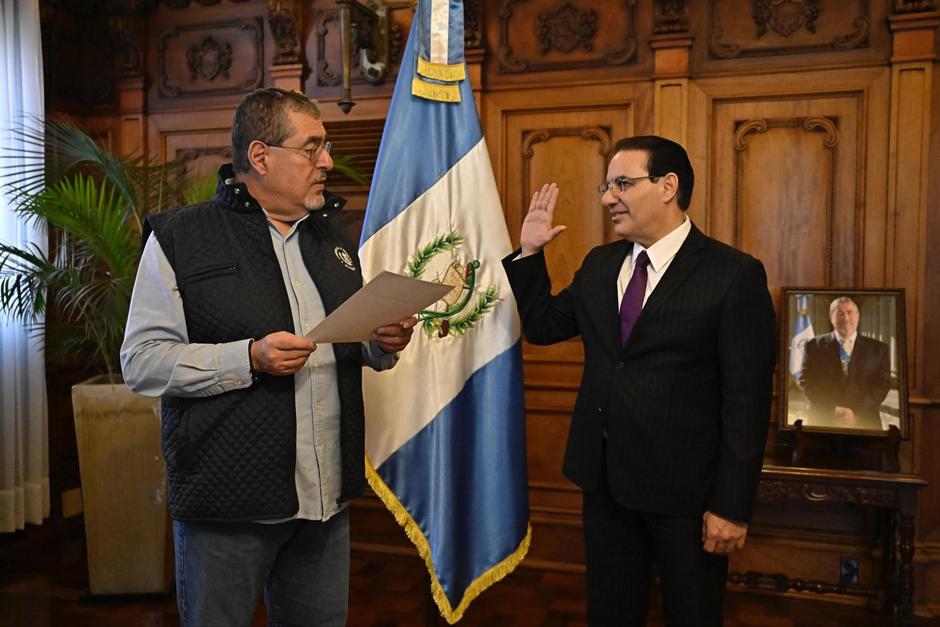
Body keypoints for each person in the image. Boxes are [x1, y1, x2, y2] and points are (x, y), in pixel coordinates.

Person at [120, 87, 416, 627]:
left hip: (326, 501)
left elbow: (344, 337)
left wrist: (380, 342)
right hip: (226, 506)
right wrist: (248, 358)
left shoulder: (331, 234)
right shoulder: (180, 236)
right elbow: (141, 361)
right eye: (312, 148)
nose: (327, 162)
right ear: (260, 157)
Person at [502, 136, 776, 626]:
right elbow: (543, 327)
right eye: (607, 186)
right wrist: (528, 253)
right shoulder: (600, 264)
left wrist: (731, 507)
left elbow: (747, 402)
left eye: (622, 184)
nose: (608, 198)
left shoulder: (733, 275)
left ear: (668, 185)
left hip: (688, 497)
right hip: (605, 483)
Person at [799, 296, 891, 430]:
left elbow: (882, 384)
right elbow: (807, 381)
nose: (846, 318)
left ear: (858, 316)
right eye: (840, 313)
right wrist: (833, 410)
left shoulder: (879, 349)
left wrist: (856, 413)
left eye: (850, 312)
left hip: (865, 422)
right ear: (831, 318)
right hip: (823, 421)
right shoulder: (813, 346)